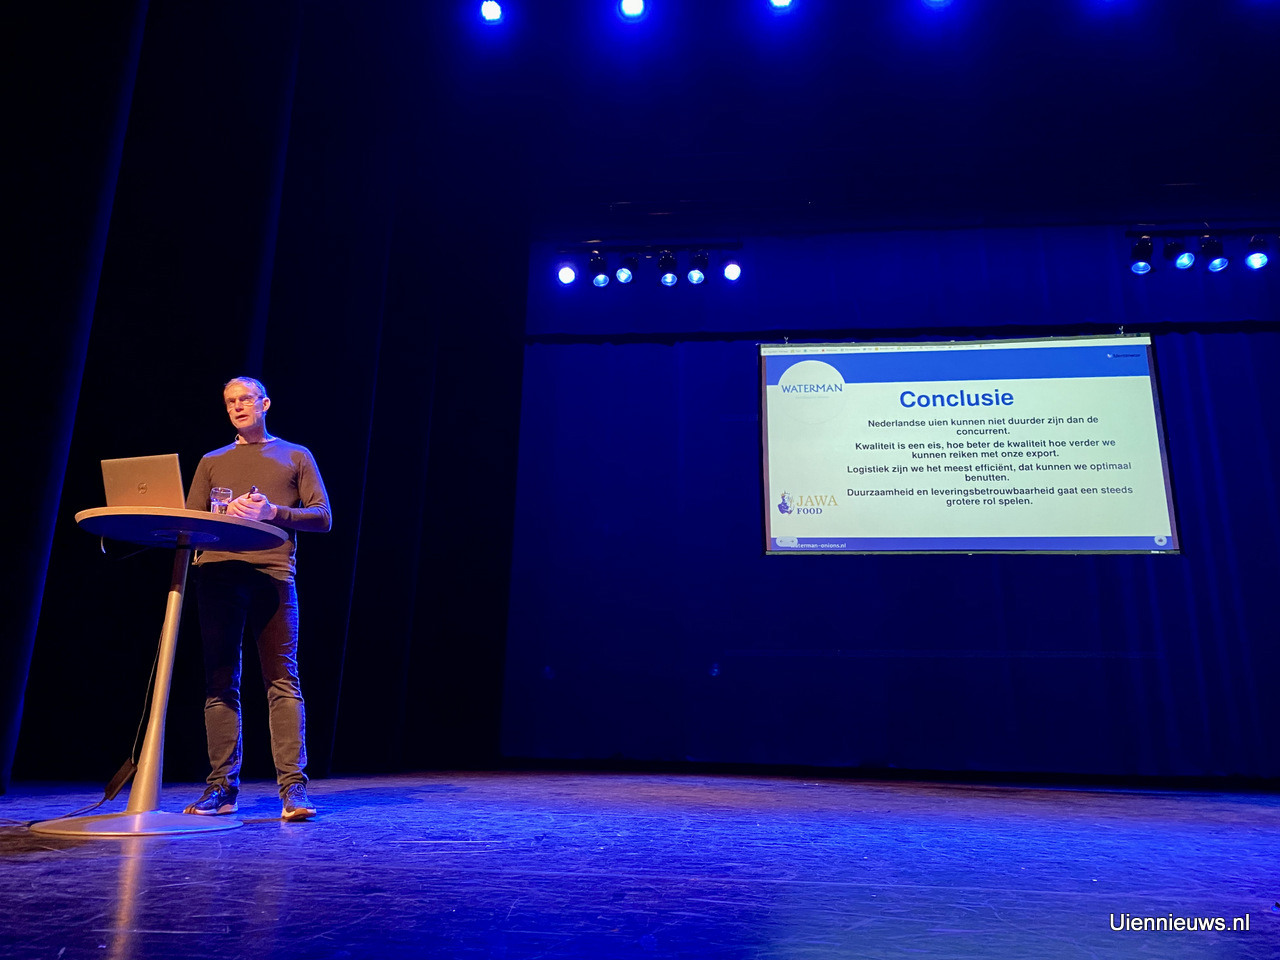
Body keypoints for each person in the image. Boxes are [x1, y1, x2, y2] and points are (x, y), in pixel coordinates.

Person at [182, 377, 332, 821]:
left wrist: (273, 512)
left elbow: (323, 516)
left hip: (272, 575)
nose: (237, 406)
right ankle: (221, 788)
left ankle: (294, 790)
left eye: (245, 399)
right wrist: (222, 514)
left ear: (264, 403)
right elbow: (190, 519)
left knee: (282, 680)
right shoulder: (212, 461)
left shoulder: (295, 455)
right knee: (220, 680)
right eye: (230, 401)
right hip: (217, 574)